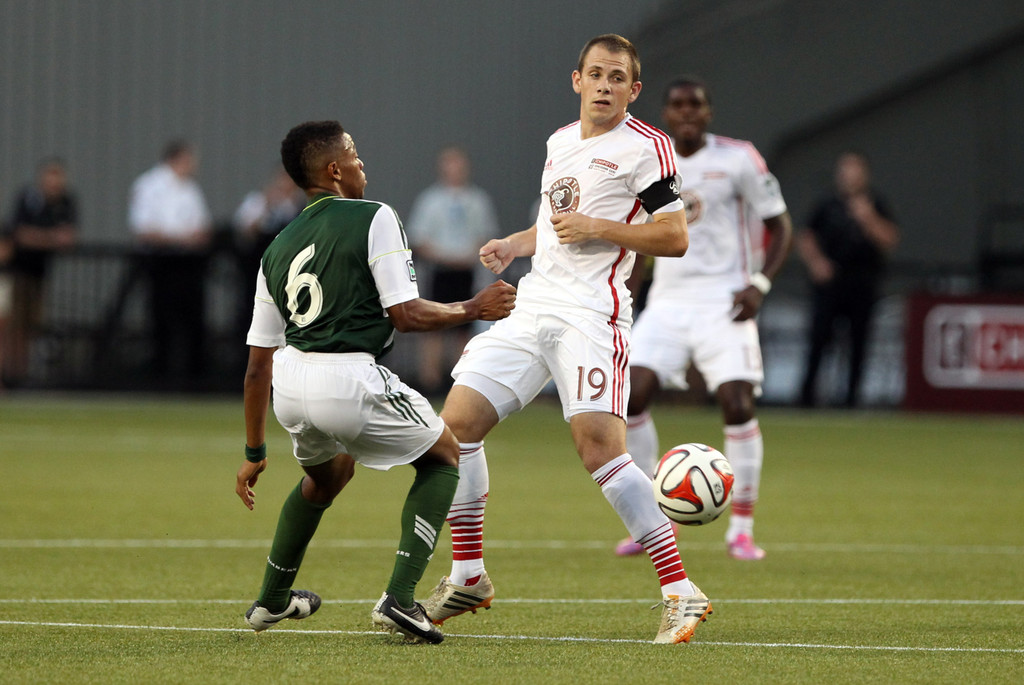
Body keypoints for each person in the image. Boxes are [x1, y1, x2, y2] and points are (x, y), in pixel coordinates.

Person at [421, 35, 711, 645]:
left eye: (618, 78)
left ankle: (681, 592)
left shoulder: (647, 147)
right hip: (533, 306)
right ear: (576, 80)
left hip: (591, 315)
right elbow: (556, 225)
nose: (605, 86)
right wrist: (516, 244)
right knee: (454, 431)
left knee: (601, 451)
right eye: (596, 74)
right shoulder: (558, 141)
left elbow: (676, 235)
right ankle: (468, 574)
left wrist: (598, 227)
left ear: (633, 90)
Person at [235, 120, 516, 645]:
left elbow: (257, 365)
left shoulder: (277, 246)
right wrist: (472, 307)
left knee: (327, 476)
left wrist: (254, 450)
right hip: (347, 376)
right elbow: (405, 314)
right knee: (445, 454)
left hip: (291, 386)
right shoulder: (374, 216)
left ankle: (272, 600)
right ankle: (401, 599)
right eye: (356, 155)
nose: (364, 165)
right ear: (335, 170)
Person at [617, 77, 793, 561]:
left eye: (695, 104)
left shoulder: (738, 158)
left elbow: (780, 226)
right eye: (677, 106)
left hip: (724, 302)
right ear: (666, 114)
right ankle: (647, 523)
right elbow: (638, 236)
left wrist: (759, 285)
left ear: (708, 112)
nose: (687, 112)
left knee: (737, 403)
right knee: (632, 395)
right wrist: (627, 296)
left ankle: (741, 527)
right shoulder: (651, 160)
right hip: (669, 302)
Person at [797, 151, 900, 408]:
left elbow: (890, 240)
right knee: (819, 339)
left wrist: (868, 218)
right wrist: (817, 263)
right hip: (830, 282)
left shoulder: (876, 203)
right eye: (845, 172)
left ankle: (852, 398)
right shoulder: (827, 204)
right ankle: (807, 397)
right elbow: (806, 236)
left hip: (862, 282)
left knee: (859, 341)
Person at [405, 146, 499, 393]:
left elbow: (486, 235)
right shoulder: (431, 200)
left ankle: (461, 383)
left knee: (464, 328)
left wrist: (468, 256)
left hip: (466, 271)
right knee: (434, 326)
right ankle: (430, 381)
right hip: (440, 271)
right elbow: (419, 238)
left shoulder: (477, 200)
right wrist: (445, 255)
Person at [128, 140, 213, 383]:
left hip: (189, 264)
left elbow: (202, 226)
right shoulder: (149, 185)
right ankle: (161, 374)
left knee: (192, 319)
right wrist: (181, 239)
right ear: (177, 159)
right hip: (161, 263)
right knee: (161, 319)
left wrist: (193, 239)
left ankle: (193, 376)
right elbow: (143, 228)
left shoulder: (190, 189)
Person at [2, 158, 78, 387]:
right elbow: (20, 234)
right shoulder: (28, 198)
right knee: (10, 325)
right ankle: (7, 376)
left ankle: (18, 375)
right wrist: (50, 238)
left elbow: (68, 238)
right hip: (15, 273)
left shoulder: (65, 202)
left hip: (39, 273)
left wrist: (39, 238)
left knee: (30, 327)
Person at [232, 166, 303, 338]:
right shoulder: (257, 201)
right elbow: (244, 232)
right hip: (258, 271)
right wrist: (267, 206)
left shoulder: (300, 206)